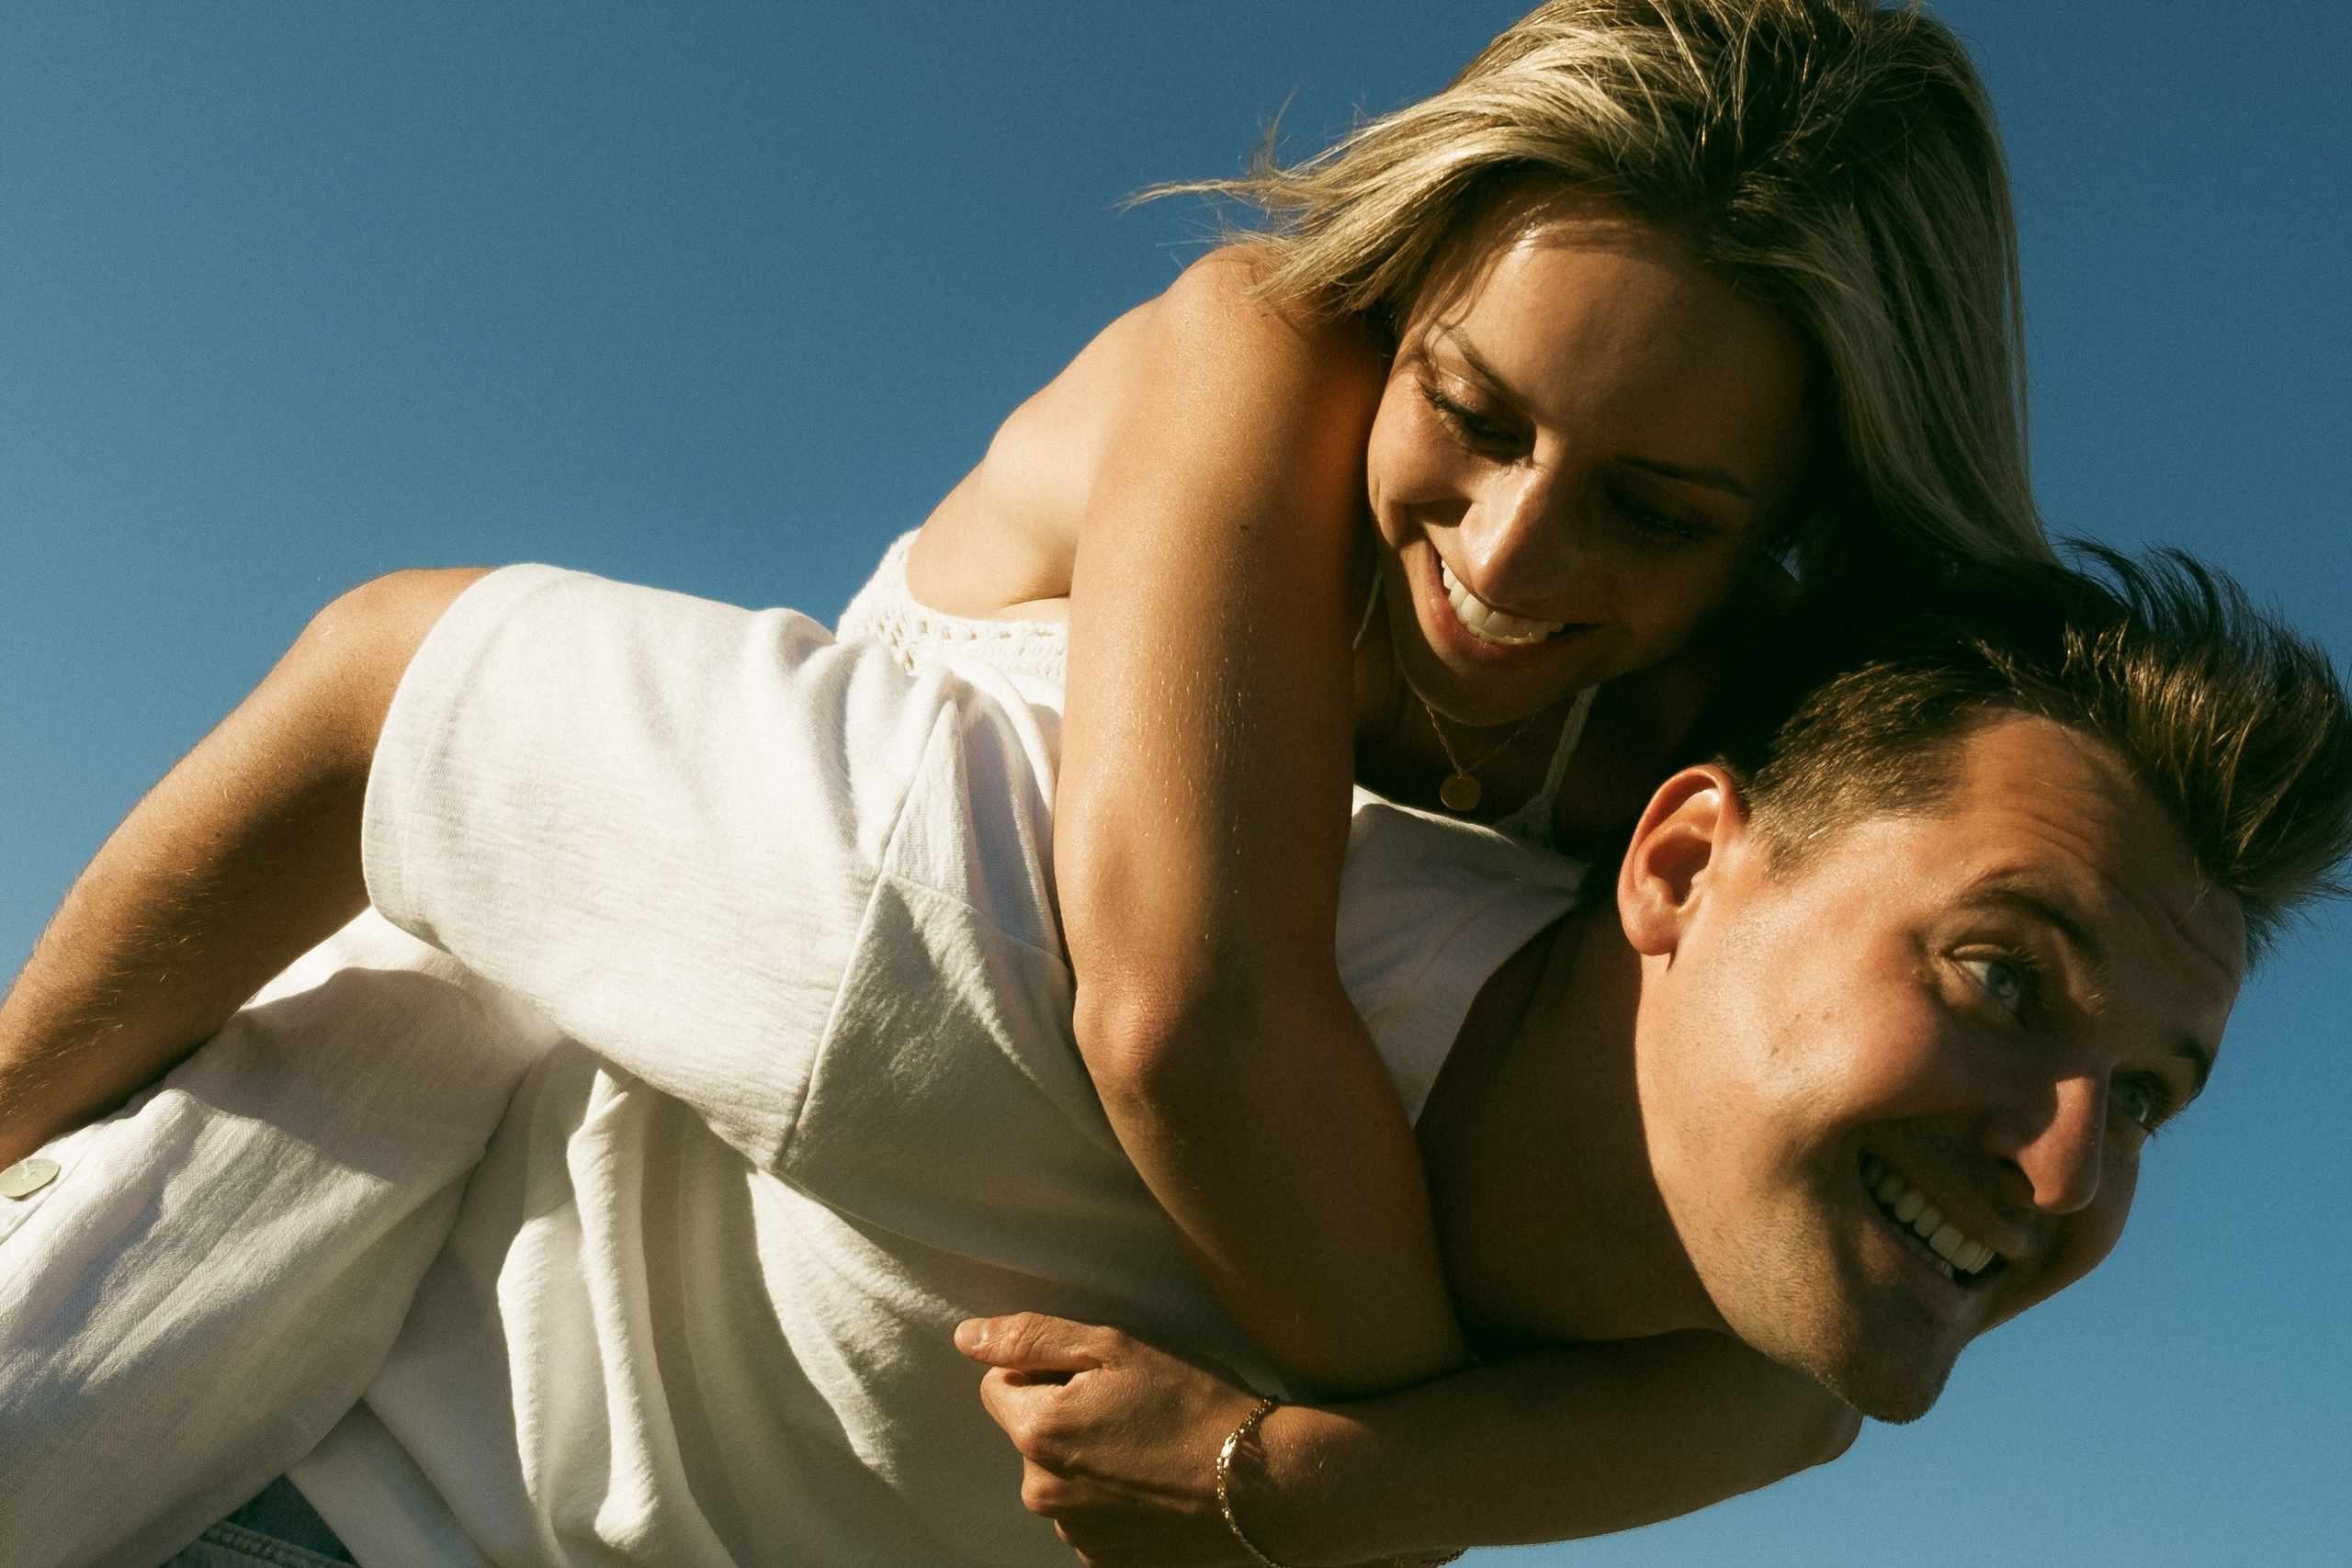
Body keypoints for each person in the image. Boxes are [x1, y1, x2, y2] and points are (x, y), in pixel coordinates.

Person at [3, 543, 2345, 1567]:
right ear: (1677, 862)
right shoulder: (989, 928)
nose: (2063, 1169)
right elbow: (392, 681)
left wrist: (1276, 1484)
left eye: (2148, 1092)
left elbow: (1784, 1420)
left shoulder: (1749, 1351)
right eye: (2002, 979)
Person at [901, 0, 2048, 1399]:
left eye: (1653, 514)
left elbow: (1793, 1376)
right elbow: (1190, 1027)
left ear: (1796, 530)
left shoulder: (1725, 714)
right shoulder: (1254, 354)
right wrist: (1378, 1486)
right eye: (1471, 413)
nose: (1506, 556)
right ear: (1412, 274)